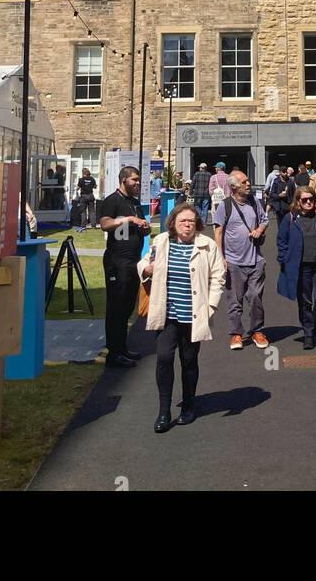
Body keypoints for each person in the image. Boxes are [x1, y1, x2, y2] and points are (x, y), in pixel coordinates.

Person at [140, 202, 225, 433]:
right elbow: (145, 263)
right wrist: (145, 270)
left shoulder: (207, 245)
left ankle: (188, 404)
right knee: (164, 358)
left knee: (189, 360)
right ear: (173, 224)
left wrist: (211, 307)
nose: (187, 225)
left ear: (197, 223)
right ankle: (164, 411)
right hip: (167, 313)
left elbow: (218, 277)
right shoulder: (162, 242)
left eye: (191, 221)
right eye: (182, 221)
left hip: (194, 314)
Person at [98, 165, 150, 367]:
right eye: (134, 180)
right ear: (123, 180)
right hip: (116, 261)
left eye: (138, 180)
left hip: (133, 260)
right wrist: (128, 219)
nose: (137, 183)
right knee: (116, 307)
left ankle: (122, 347)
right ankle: (113, 352)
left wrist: (143, 228)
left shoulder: (135, 203)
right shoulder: (112, 201)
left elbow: (138, 227)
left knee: (128, 306)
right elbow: (105, 223)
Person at [277, 186, 316, 349]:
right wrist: (284, 261)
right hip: (300, 267)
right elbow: (282, 241)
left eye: (311, 199)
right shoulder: (290, 218)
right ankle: (308, 333)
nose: (308, 202)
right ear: (298, 201)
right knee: (305, 302)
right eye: (304, 199)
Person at [214, 170, 269, 350]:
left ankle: (257, 330)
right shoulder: (225, 205)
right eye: (244, 181)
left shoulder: (254, 202)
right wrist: (221, 258)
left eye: (248, 180)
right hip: (234, 261)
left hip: (255, 259)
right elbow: (218, 232)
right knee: (235, 301)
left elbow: (264, 220)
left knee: (255, 297)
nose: (248, 184)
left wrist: (259, 230)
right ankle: (236, 334)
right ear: (233, 186)